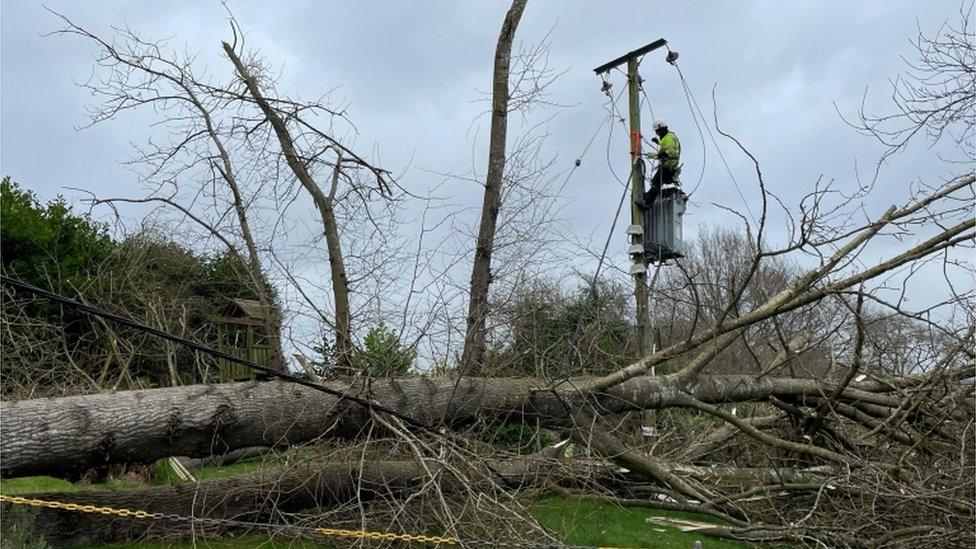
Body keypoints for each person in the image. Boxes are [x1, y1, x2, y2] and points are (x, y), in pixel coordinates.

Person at [641, 119, 680, 207]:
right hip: (668, 166)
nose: (657, 133)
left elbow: (671, 151)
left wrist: (656, 155)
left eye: (657, 131)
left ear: (662, 129)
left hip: (669, 167)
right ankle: (648, 198)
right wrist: (658, 142)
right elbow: (667, 147)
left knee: (656, 182)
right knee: (655, 182)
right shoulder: (667, 137)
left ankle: (647, 201)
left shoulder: (669, 137)